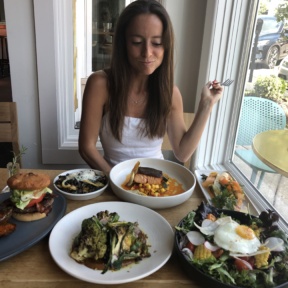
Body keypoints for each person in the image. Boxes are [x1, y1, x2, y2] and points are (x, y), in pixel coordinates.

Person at [78, 0, 223, 175]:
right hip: (111, 180)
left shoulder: (170, 93)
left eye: (156, 43)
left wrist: (207, 104)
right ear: (123, 44)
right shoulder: (100, 84)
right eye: (137, 42)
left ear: (166, 46)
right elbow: (86, 148)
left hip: (156, 187)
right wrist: (118, 183)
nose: (147, 53)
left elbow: (182, 153)